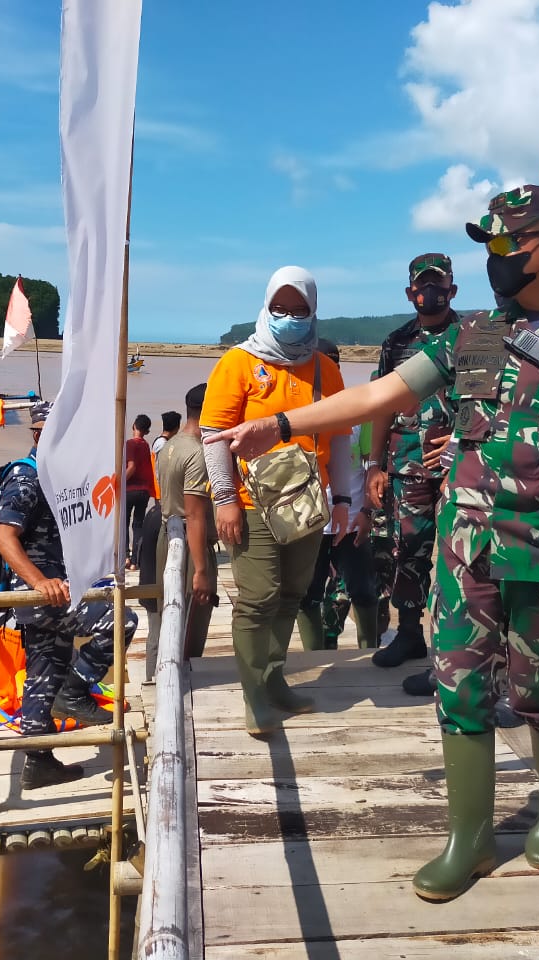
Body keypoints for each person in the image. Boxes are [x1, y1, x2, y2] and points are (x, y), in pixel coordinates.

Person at [206, 185, 539, 900]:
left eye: (506, 243)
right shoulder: (469, 335)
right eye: (487, 245)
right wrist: (283, 427)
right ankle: (469, 837)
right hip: (466, 550)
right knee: (461, 689)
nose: (494, 259)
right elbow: (379, 397)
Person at [200, 266, 353, 737]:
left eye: (299, 309)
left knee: (292, 594)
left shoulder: (326, 370)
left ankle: (274, 679)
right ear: (266, 307)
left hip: (307, 502)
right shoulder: (239, 362)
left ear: (313, 312)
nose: (289, 317)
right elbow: (213, 435)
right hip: (251, 501)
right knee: (259, 597)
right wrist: (224, 498)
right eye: (280, 308)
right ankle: (253, 697)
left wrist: (344, 498)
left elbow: (342, 438)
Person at [0, 401, 139, 790]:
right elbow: (5, 540)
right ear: (40, 435)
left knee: (44, 674)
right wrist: (40, 582)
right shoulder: (27, 477)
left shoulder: (57, 474)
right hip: (40, 595)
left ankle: (38, 763)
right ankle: (75, 691)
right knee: (123, 621)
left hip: (57, 592)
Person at [365, 253, 461, 686]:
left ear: (452, 290)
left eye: (438, 284)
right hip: (407, 468)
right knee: (409, 552)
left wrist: (463, 435)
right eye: (422, 284)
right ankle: (408, 635)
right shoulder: (396, 343)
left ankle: (455, 651)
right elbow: (380, 405)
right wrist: (374, 464)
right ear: (410, 292)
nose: (430, 291)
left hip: (461, 469)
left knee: (461, 560)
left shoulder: (472, 339)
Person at [296, 339, 380, 651]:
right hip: (311, 522)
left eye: (330, 363)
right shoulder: (298, 412)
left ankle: (368, 651)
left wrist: (367, 513)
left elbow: (373, 467)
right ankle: (313, 656)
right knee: (307, 594)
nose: (322, 370)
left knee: (363, 590)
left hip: (352, 519)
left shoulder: (358, 412)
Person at [146, 383, 218, 676]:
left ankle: (162, 678)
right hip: (191, 544)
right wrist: (201, 570)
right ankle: (180, 687)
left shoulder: (170, 445)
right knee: (189, 628)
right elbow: (195, 514)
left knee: (169, 621)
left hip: (169, 534)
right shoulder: (198, 453)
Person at [124, 414, 156, 570]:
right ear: (147, 430)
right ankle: (135, 561)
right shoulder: (145, 445)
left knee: (123, 523)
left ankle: (125, 557)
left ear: (133, 426)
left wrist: (118, 482)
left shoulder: (130, 443)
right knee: (138, 525)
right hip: (144, 491)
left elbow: (131, 467)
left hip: (129, 490)